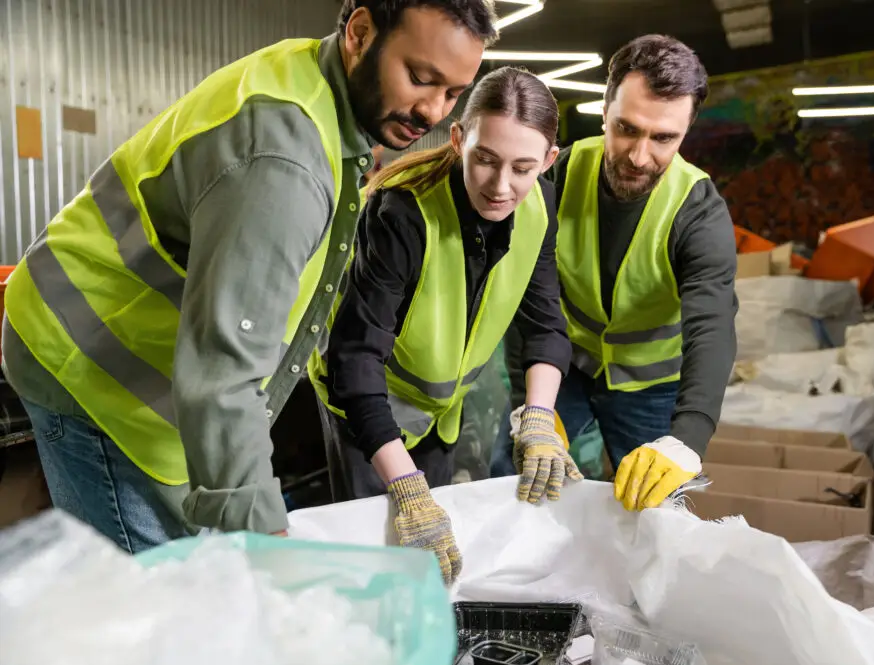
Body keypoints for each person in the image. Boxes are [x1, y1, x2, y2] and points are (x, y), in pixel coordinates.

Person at [0, 0, 498, 554]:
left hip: (149, 359)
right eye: (420, 78)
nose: (433, 110)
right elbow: (224, 374)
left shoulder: (314, 82)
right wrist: (264, 538)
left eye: (453, 94)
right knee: (154, 605)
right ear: (360, 33)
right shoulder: (284, 161)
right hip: (88, 360)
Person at [317, 66, 577, 584]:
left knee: (432, 556)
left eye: (523, 168)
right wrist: (404, 485)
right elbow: (356, 360)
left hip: (439, 414)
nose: (501, 187)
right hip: (364, 409)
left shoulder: (540, 205)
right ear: (458, 139)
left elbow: (544, 320)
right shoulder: (402, 213)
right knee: (374, 558)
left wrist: (540, 418)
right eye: (484, 159)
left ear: (548, 161)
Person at [495, 34, 738, 512]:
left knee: (654, 512)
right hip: (564, 365)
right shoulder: (556, 176)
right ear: (604, 110)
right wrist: (531, 403)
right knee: (520, 483)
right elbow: (524, 290)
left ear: (685, 133)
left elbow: (712, 328)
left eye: (663, 138)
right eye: (626, 128)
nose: (639, 155)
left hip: (652, 387)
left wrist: (687, 439)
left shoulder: (700, 213)